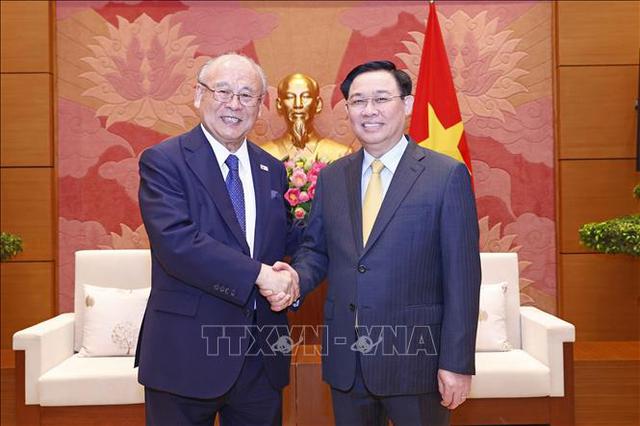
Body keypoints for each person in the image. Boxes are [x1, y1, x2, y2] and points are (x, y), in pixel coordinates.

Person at [274, 60, 481, 425]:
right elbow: (316, 250)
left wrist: (456, 362)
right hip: (347, 361)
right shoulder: (333, 176)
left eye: (381, 99)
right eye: (358, 101)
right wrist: (294, 280)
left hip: (417, 362)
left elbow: (462, 278)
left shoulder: (445, 175)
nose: (369, 110)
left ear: (407, 104)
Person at [135, 53, 301, 426]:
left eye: (246, 95)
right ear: (199, 95)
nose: (234, 104)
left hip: (260, 359)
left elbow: (283, 240)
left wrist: (294, 275)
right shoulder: (164, 161)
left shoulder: (271, 169)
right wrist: (261, 274)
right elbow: (177, 244)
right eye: (222, 91)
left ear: (260, 105)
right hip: (184, 354)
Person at [261, 73, 352, 162]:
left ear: (318, 104)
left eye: (306, 96)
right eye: (290, 97)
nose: (298, 105)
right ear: (279, 105)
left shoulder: (341, 155)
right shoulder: (264, 155)